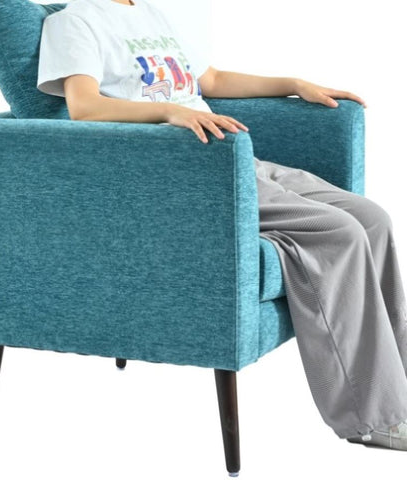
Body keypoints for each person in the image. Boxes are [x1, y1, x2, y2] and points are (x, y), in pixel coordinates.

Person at [37, 0, 407, 450]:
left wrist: (293, 84)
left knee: (372, 220)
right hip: (190, 176)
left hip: (236, 160)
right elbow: (84, 107)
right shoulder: (73, 22)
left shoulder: (148, 13)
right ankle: (374, 419)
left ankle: (399, 384)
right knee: (339, 234)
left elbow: (208, 81)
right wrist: (170, 112)